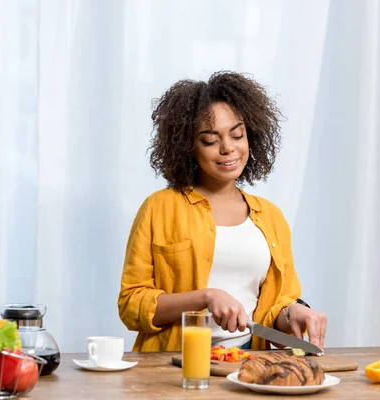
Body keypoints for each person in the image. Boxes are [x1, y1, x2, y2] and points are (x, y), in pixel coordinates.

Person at [118, 71, 327, 352]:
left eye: (237, 135)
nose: (228, 148)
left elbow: (274, 308)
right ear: (188, 147)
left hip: (247, 365)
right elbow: (131, 304)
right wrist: (205, 297)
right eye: (210, 140)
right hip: (172, 368)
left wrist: (293, 314)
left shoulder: (271, 217)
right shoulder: (159, 207)